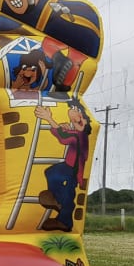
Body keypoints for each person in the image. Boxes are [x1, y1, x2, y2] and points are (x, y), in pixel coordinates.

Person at [33, 99, 92, 232]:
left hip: (74, 169)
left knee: (68, 190)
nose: (73, 111)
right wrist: (64, 127)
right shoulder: (78, 133)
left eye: (76, 111)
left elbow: (64, 137)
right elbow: (65, 134)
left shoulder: (79, 135)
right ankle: (57, 201)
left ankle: (64, 221)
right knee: (51, 173)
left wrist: (49, 119)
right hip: (69, 164)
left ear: (83, 121)